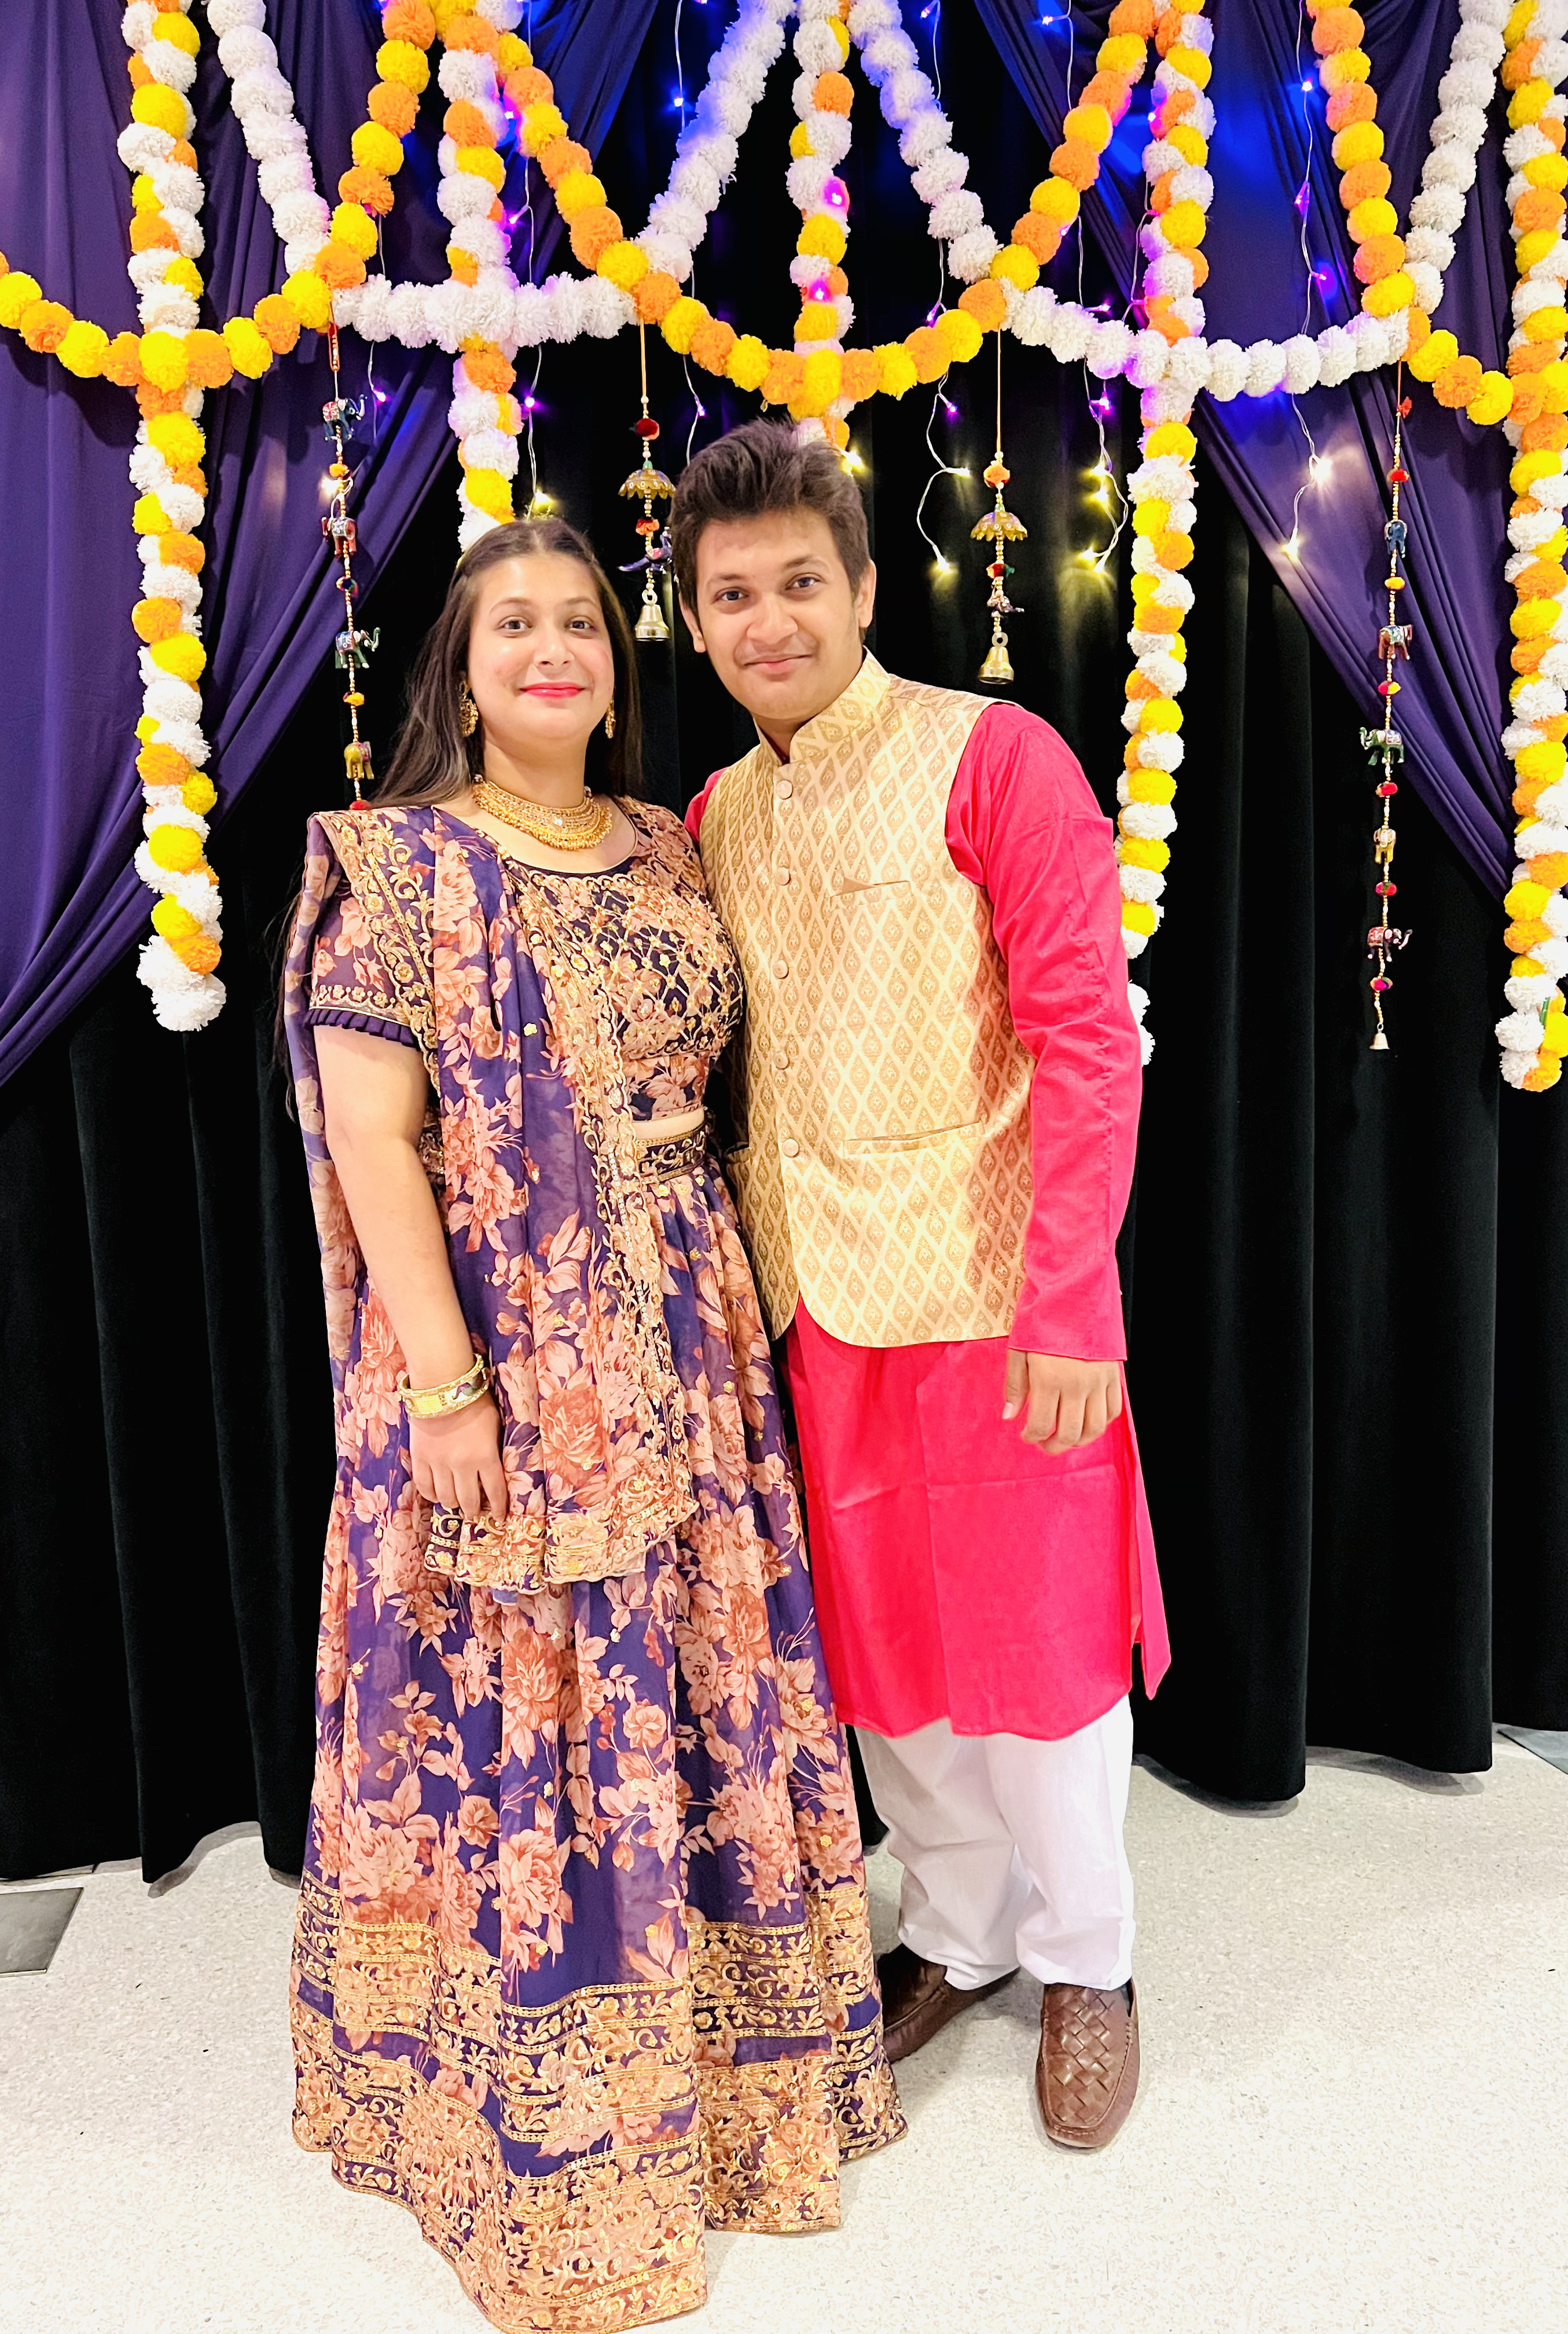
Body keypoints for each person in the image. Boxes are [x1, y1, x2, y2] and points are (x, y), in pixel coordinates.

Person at [281, 516, 902, 2333]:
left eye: (578, 623)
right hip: (500, 1356)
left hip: (688, 1346)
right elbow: (373, 1140)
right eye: (512, 626)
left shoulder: (662, 848)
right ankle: (533, 2130)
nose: (552, 650)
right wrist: (453, 1386)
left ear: (614, 662)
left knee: (692, 1683)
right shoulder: (389, 867)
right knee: (532, 1708)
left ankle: (723, 2093)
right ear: (458, 672)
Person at [675, 421, 1170, 2152]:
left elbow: (1087, 1047)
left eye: (799, 582)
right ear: (698, 620)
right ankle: (958, 1937)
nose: (768, 619)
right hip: (810, 1304)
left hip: (992, 1290)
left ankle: (1088, 1963)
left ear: (865, 587)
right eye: (731, 594)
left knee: (1035, 1650)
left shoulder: (995, 757)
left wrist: (1069, 1304)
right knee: (888, 1664)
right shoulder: (717, 812)